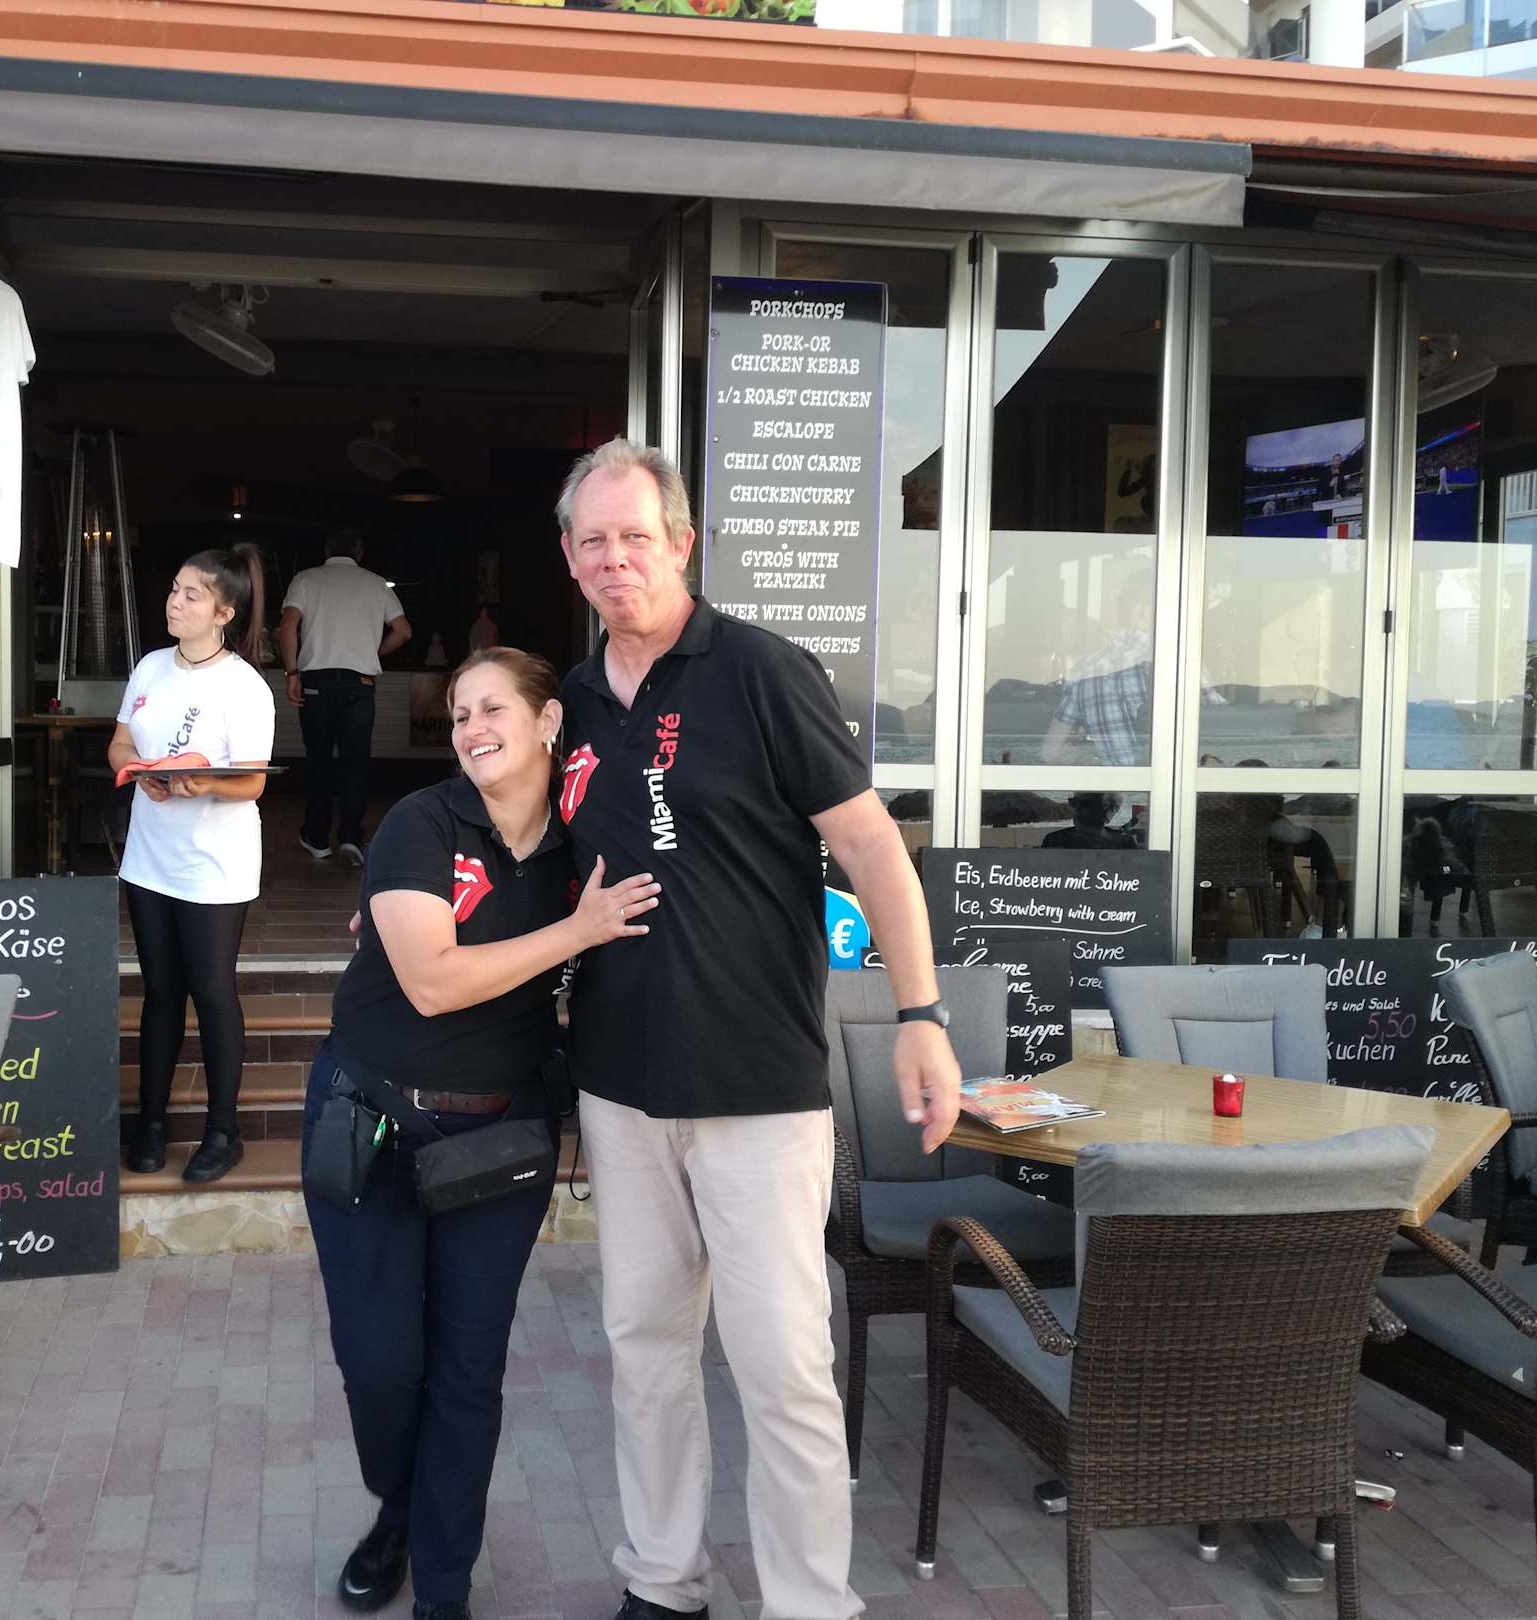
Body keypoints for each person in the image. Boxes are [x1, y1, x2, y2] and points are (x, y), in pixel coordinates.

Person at [551, 439, 961, 1620]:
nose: (616, 559)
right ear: (570, 559)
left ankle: (806, 1603)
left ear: (682, 543)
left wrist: (920, 1013)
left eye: (636, 536)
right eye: (593, 541)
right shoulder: (574, 701)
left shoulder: (764, 671)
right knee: (645, 1348)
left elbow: (872, 843)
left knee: (783, 1367)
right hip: (620, 1085)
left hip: (758, 1089)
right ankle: (661, 1580)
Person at [308, 647, 660, 1620]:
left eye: (491, 708)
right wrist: (575, 934)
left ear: (548, 723)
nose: (471, 729)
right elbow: (430, 980)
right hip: (370, 1120)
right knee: (381, 1363)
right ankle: (398, 1510)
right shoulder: (423, 822)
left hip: (501, 1136)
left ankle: (444, 1587)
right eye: (460, 714)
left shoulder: (587, 845)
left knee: (468, 1372)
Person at [108, 545, 275, 1182]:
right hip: (148, 859)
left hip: (214, 865)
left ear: (224, 613)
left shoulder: (245, 687)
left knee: (211, 991)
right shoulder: (150, 667)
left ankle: (223, 1131)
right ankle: (150, 1125)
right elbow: (121, 741)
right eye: (174, 589)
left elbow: (253, 781)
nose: (174, 602)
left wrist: (202, 784)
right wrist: (137, 771)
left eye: (191, 595)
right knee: (159, 994)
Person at [279, 528, 413, 867]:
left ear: (326, 549)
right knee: (356, 763)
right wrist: (373, 653)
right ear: (360, 553)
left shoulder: (305, 579)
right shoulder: (377, 584)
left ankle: (317, 837)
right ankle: (351, 837)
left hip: (316, 683)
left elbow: (287, 625)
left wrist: (292, 673)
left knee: (319, 761)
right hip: (360, 683)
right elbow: (404, 631)